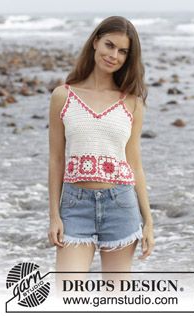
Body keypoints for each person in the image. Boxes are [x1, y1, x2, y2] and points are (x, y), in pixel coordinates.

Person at [48, 15, 155, 294]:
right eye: (109, 45)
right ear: (95, 42)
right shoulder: (63, 95)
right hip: (75, 206)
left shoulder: (131, 101)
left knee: (115, 301)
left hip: (120, 204)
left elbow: (135, 164)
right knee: (66, 297)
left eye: (122, 52)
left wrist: (149, 222)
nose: (114, 55)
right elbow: (56, 159)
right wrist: (54, 216)